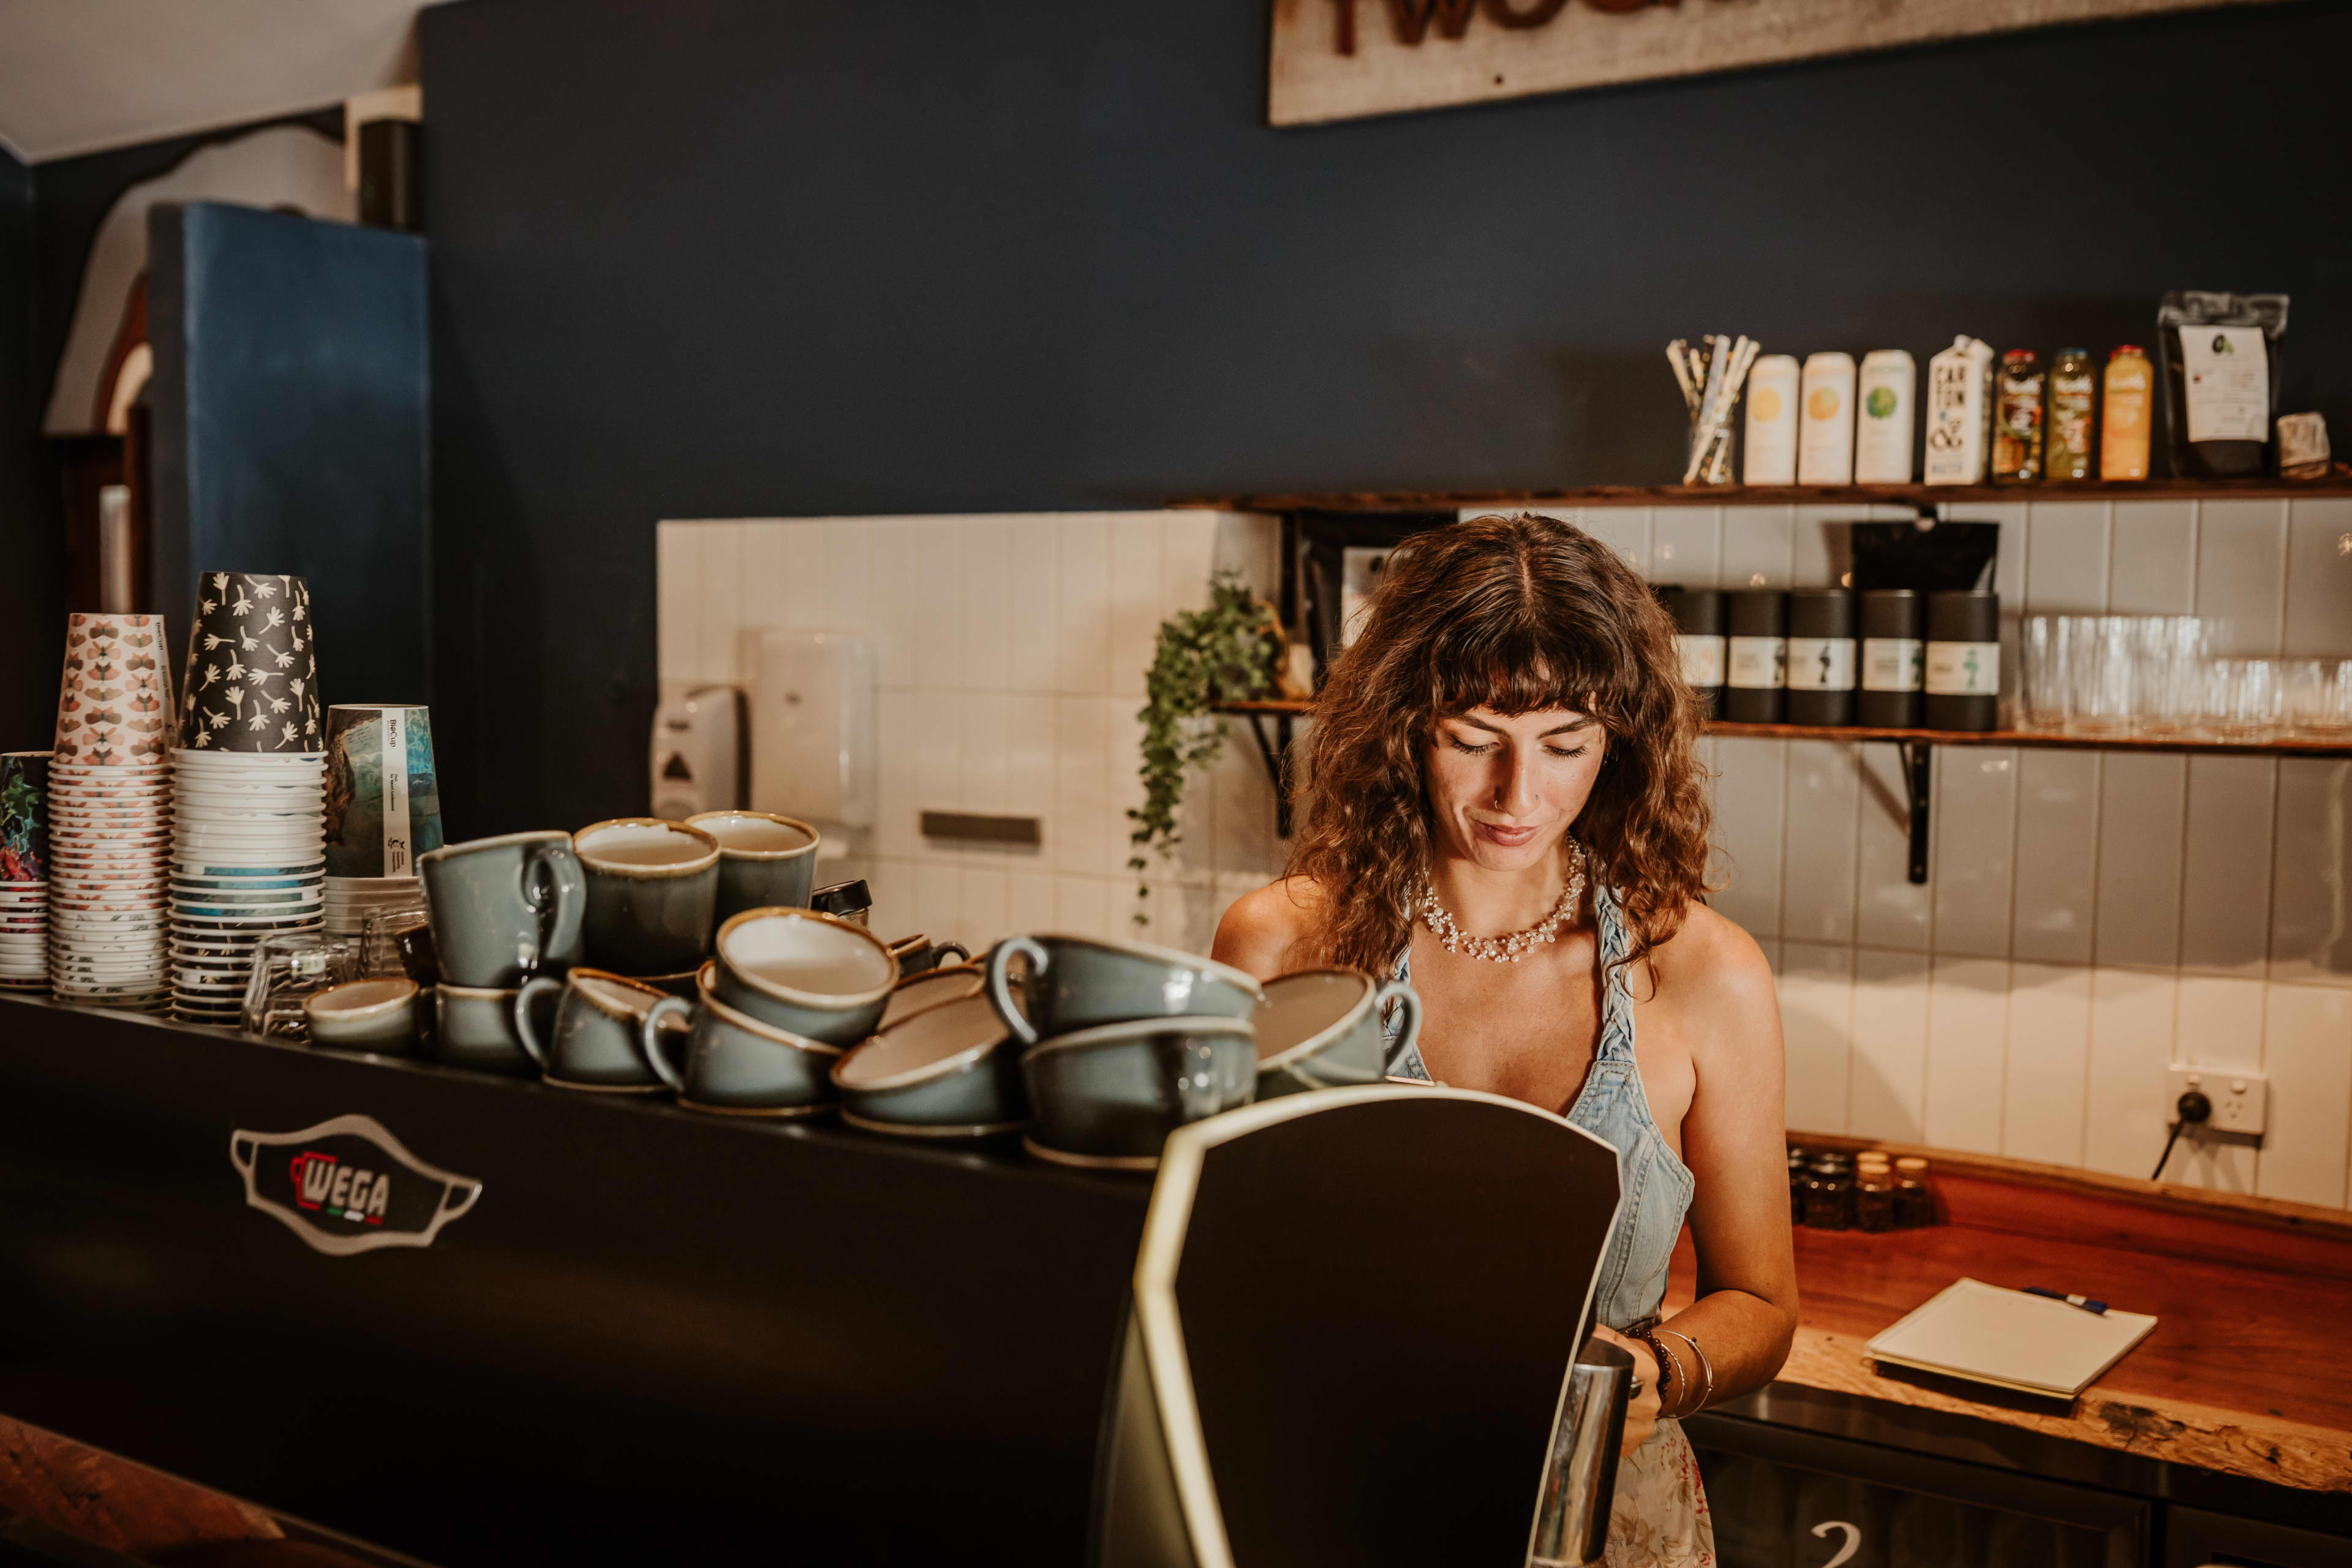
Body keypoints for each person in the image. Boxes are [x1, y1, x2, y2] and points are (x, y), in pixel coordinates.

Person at [1213, 513, 1796, 1567]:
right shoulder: (1280, 942)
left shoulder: (1708, 972)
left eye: (1564, 745)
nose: (1517, 796)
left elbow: (1762, 1305)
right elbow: (1213, 1260)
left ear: (1619, 744)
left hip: (1606, 1519)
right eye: (1474, 740)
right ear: (1402, 728)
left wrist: (1659, 1371)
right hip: (1339, 1499)